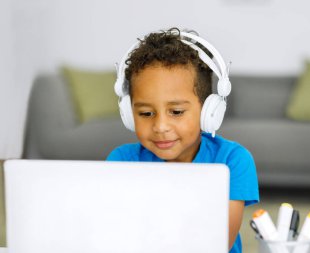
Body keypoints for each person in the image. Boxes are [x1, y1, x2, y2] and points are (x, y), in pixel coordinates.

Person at [107, 28, 259, 253]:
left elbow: (218, 243)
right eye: (146, 113)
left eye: (176, 112)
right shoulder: (121, 160)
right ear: (129, 114)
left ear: (209, 112)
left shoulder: (232, 161)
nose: (160, 127)